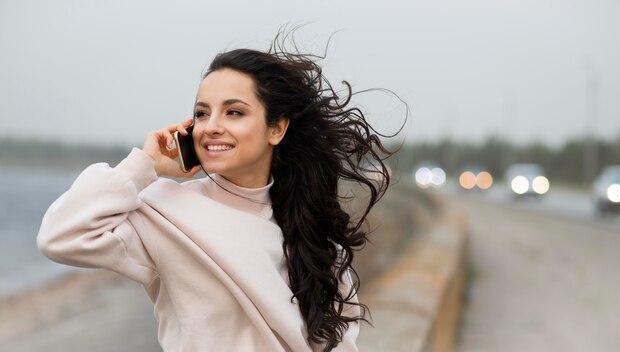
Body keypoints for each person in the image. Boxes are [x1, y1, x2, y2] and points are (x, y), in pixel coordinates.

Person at [37, 31, 399, 351]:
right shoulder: (163, 211)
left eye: (234, 113)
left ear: (276, 129)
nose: (211, 127)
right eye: (202, 112)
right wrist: (144, 167)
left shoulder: (312, 231)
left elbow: (339, 338)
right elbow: (61, 236)